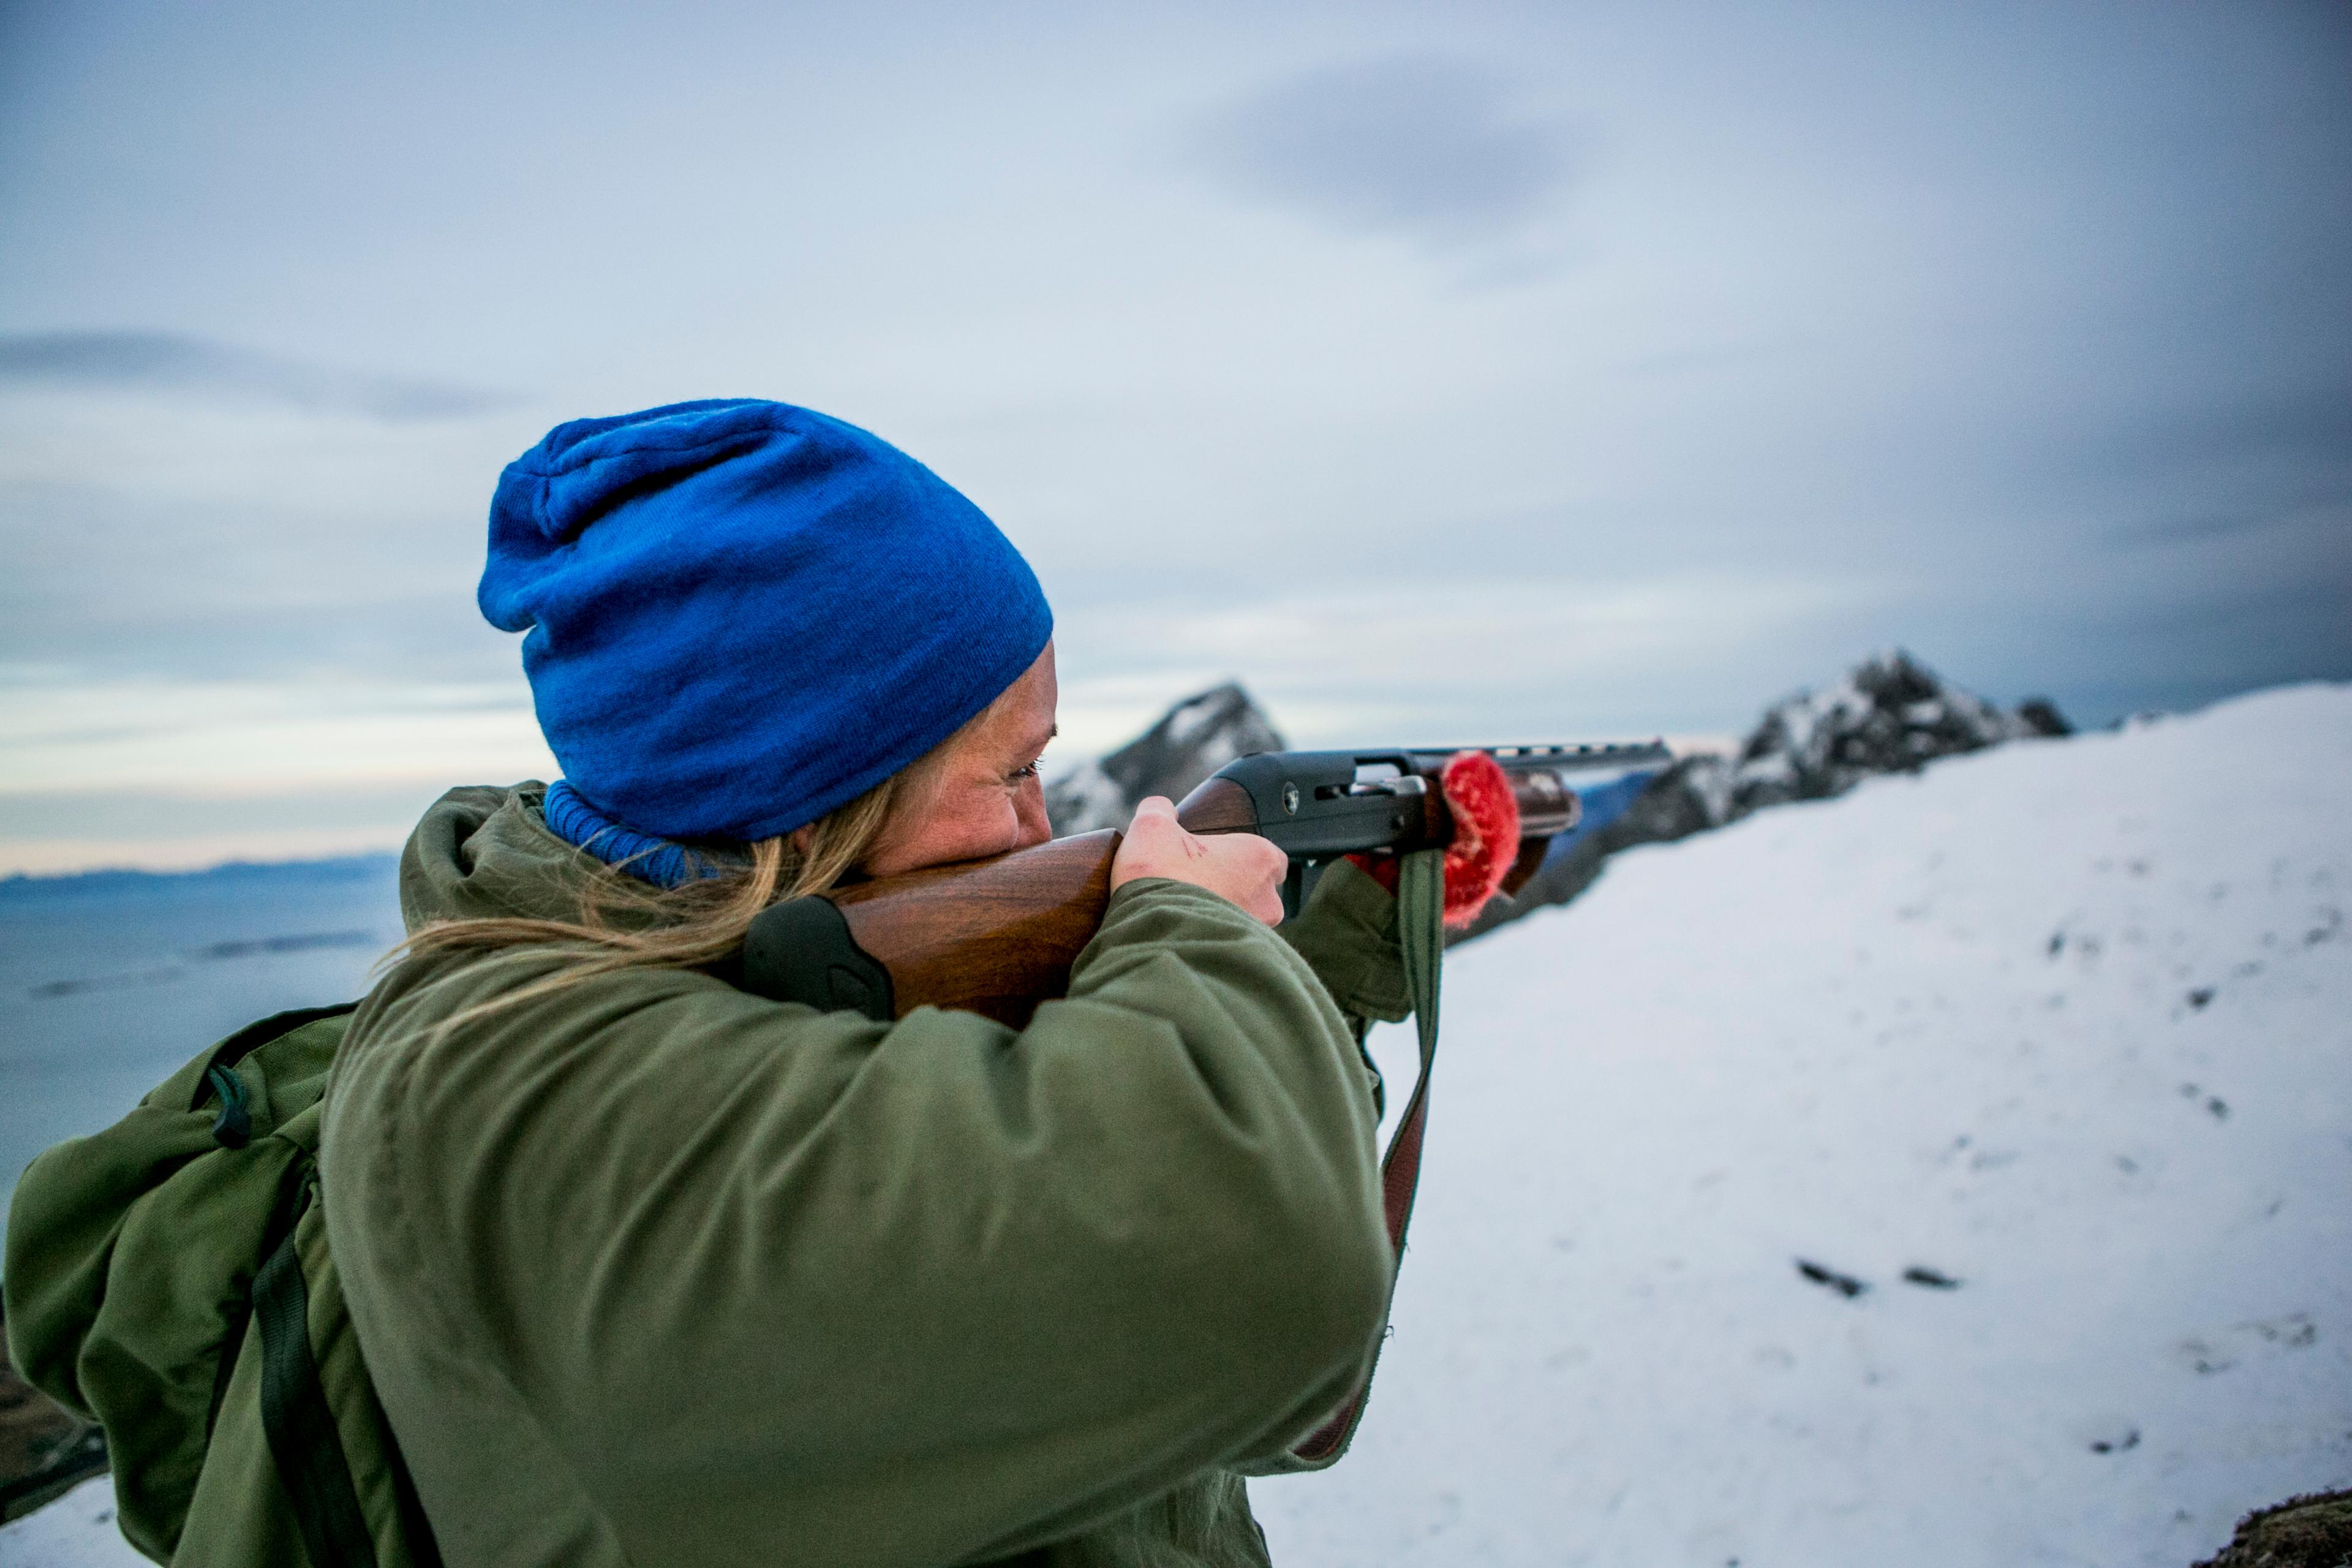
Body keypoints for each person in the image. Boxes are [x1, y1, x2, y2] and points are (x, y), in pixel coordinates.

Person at [321, 399, 1438, 1567]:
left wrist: (1341, 952)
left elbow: (1157, 1380)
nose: (1043, 825)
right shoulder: (519, 1089)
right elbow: (1259, 1276)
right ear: (815, 790)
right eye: (1012, 770)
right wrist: (1189, 931)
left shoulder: (786, 977)